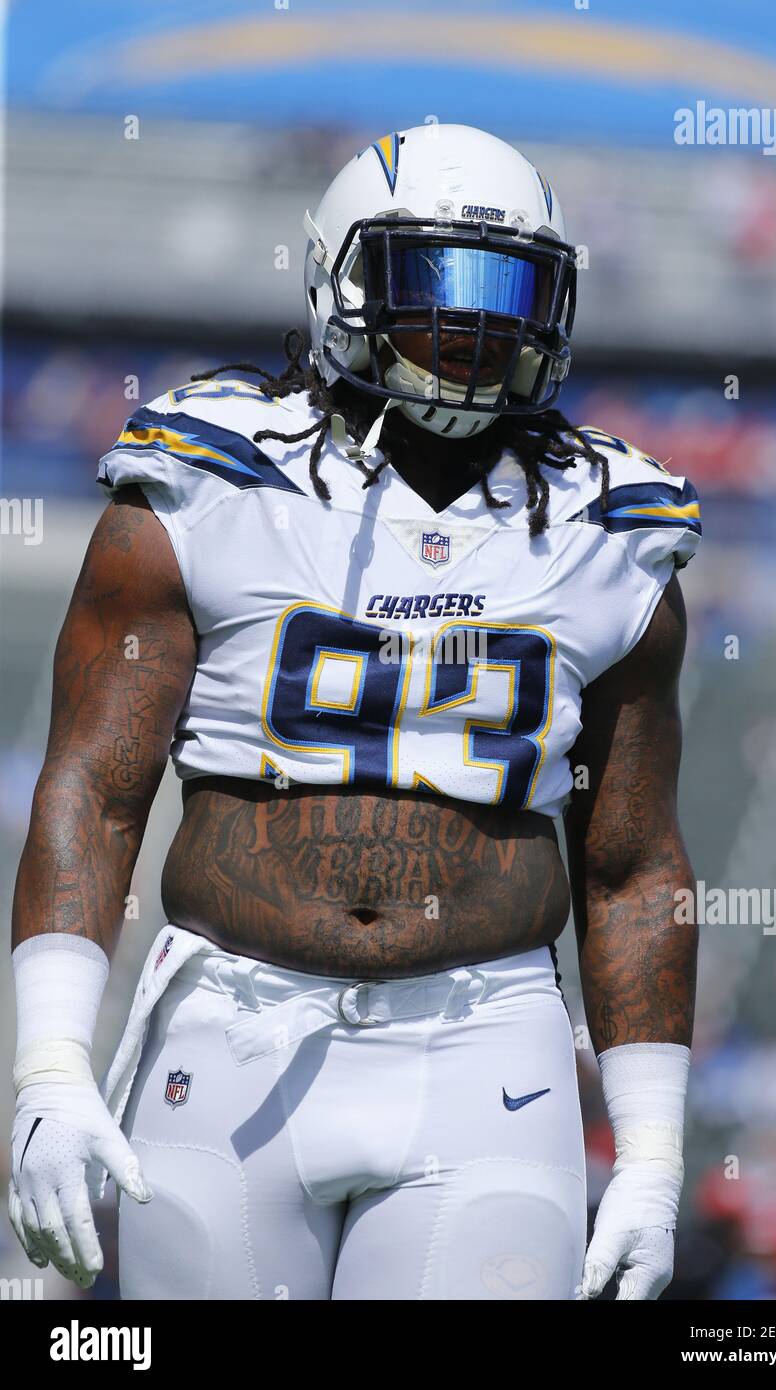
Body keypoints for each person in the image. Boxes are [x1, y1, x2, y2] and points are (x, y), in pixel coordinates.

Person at [9, 124, 700, 1301]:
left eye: (511, 291)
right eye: (437, 284)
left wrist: (652, 1156)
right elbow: (93, 782)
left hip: (490, 1047)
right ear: (340, 280)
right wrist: (49, 1063)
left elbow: (630, 865)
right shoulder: (209, 476)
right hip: (230, 1027)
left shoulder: (610, 528)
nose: (481, 327)